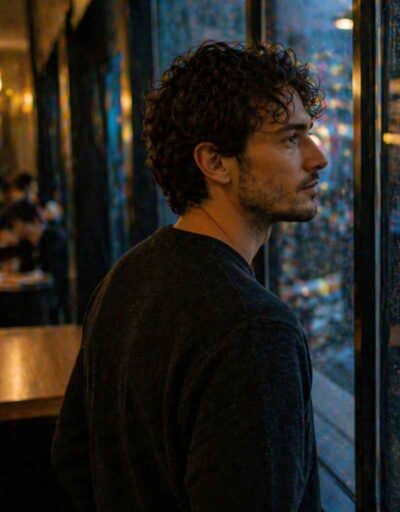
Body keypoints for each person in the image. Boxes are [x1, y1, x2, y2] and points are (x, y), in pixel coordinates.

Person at [52, 42, 328, 511]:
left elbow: (72, 457)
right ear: (215, 162)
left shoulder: (124, 277)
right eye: (289, 138)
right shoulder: (254, 329)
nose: (317, 156)